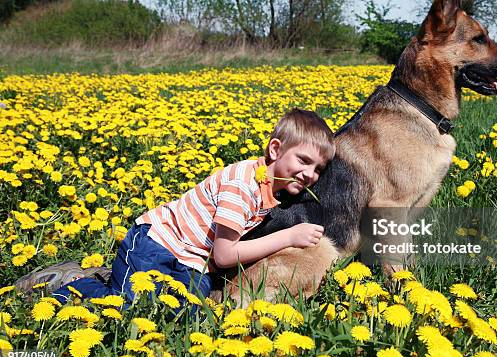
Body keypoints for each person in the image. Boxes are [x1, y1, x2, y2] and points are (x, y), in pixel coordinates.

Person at [16, 108, 335, 306]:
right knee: (130, 306)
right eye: (303, 160)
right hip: (155, 244)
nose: (309, 174)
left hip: (191, 262)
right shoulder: (243, 183)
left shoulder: (270, 191)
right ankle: (66, 285)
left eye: (318, 168)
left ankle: (102, 279)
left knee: (185, 314)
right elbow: (225, 255)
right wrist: (289, 237)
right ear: (276, 149)